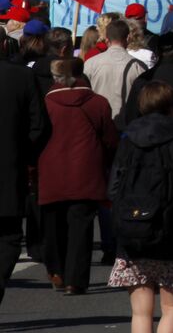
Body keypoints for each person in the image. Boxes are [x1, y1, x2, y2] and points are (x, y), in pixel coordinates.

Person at [107, 80, 173, 333]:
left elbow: (113, 188)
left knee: (140, 311)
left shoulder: (127, 138)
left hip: (133, 229)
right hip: (172, 229)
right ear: (171, 107)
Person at [39, 57, 118, 294]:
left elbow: (36, 137)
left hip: (51, 172)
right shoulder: (99, 103)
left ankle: (57, 271)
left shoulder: (46, 104)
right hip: (85, 172)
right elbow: (110, 141)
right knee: (80, 228)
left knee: (54, 226)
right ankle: (75, 278)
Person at [0, 48, 45, 307]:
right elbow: (39, 125)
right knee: (8, 238)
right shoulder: (21, 76)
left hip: (12, 167)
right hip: (10, 169)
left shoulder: (22, 76)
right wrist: (23, 154)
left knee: (9, 238)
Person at [85, 18, 144, 121]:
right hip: (127, 124)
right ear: (128, 38)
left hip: (99, 121)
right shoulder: (139, 66)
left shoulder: (91, 63)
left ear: (106, 39)